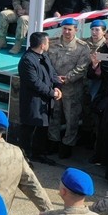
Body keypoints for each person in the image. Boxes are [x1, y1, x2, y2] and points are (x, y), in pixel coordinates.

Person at [47, 18, 92, 158]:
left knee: (71, 118)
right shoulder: (52, 43)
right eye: (65, 29)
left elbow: (82, 67)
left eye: (70, 29)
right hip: (54, 86)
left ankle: (67, 145)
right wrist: (54, 78)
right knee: (54, 115)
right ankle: (52, 142)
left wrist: (67, 78)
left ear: (76, 30)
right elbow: (47, 62)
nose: (67, 32)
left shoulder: (82, 47)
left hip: (72, 88)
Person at [17, 31, 62, 162]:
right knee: (28, 130)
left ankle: (39, 153)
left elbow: (52, 73)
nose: (49, 44)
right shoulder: (27, 60)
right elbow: (34, 82)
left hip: (44, 101)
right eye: (47, 42)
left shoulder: (44, 56)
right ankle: (24, 158)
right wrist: (52, 93)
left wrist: (57, 86)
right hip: (33, 101)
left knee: (42, 128)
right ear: (42, 45)